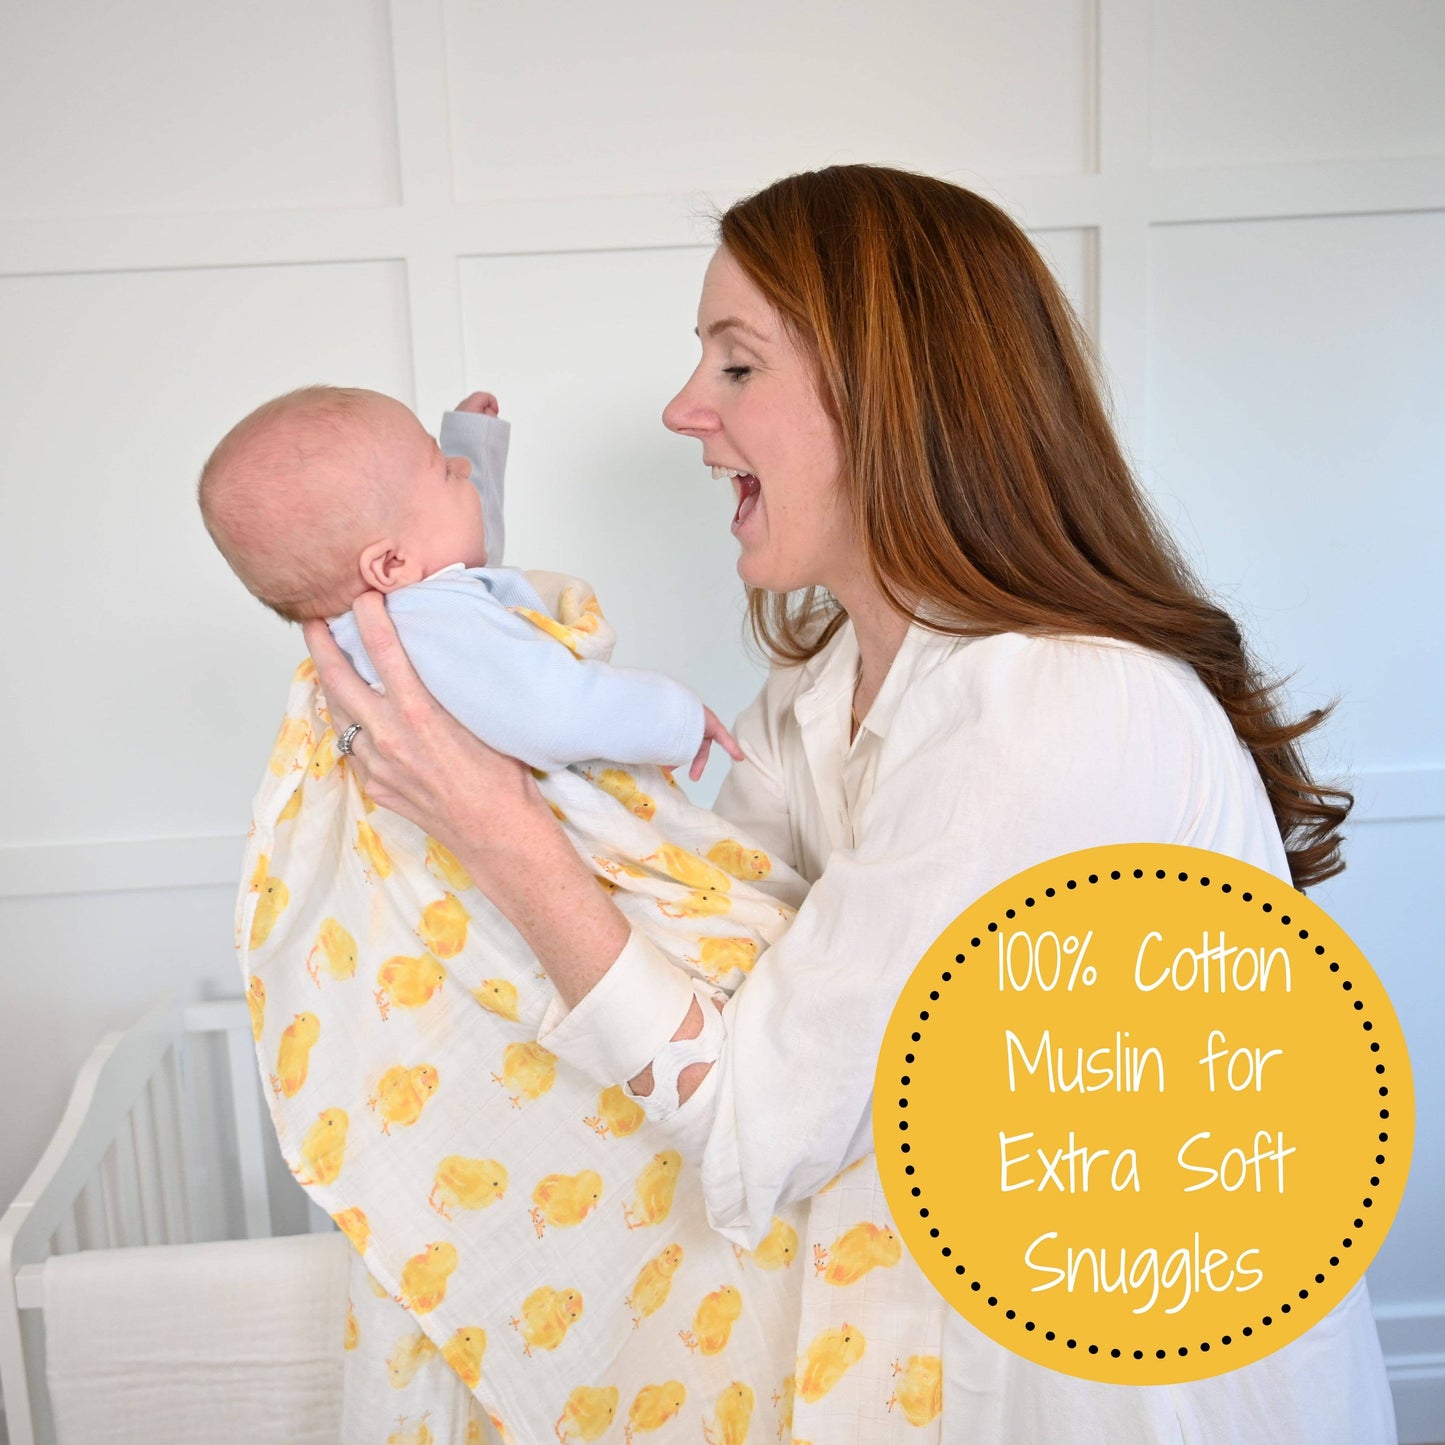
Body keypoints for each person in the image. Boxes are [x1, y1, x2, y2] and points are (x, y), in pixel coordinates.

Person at [303, 166, 1395, 1442]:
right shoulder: (826, 693)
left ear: (895, 397)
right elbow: (686, 932)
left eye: (737, 365)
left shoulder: (1047, 709)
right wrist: (459, 649)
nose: (682, 408)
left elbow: (756, 1125)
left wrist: (495, 829)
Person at [199, 385, 738, 779]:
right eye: (444, 469)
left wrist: (471, 444)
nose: (460, 467)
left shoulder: (407, 614)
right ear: (390, 564)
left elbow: (466, 566)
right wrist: (678, 718)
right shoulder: (433, 624)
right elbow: (554, 712)